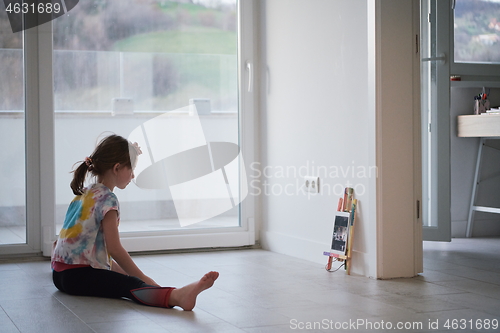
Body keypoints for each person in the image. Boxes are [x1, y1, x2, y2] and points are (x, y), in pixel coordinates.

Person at [51, 134, 218, 310]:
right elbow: (115, 249)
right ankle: (177, 296)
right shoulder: (108, 199)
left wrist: (129, 276)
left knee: (126, 278)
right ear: (117, 168)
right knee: (129, 286)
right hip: (79, 278)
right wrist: (145, 279)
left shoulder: (84, 193)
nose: (132, 176)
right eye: (131, 170)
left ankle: (161, 290)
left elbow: (98, 254)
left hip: (60, 276)